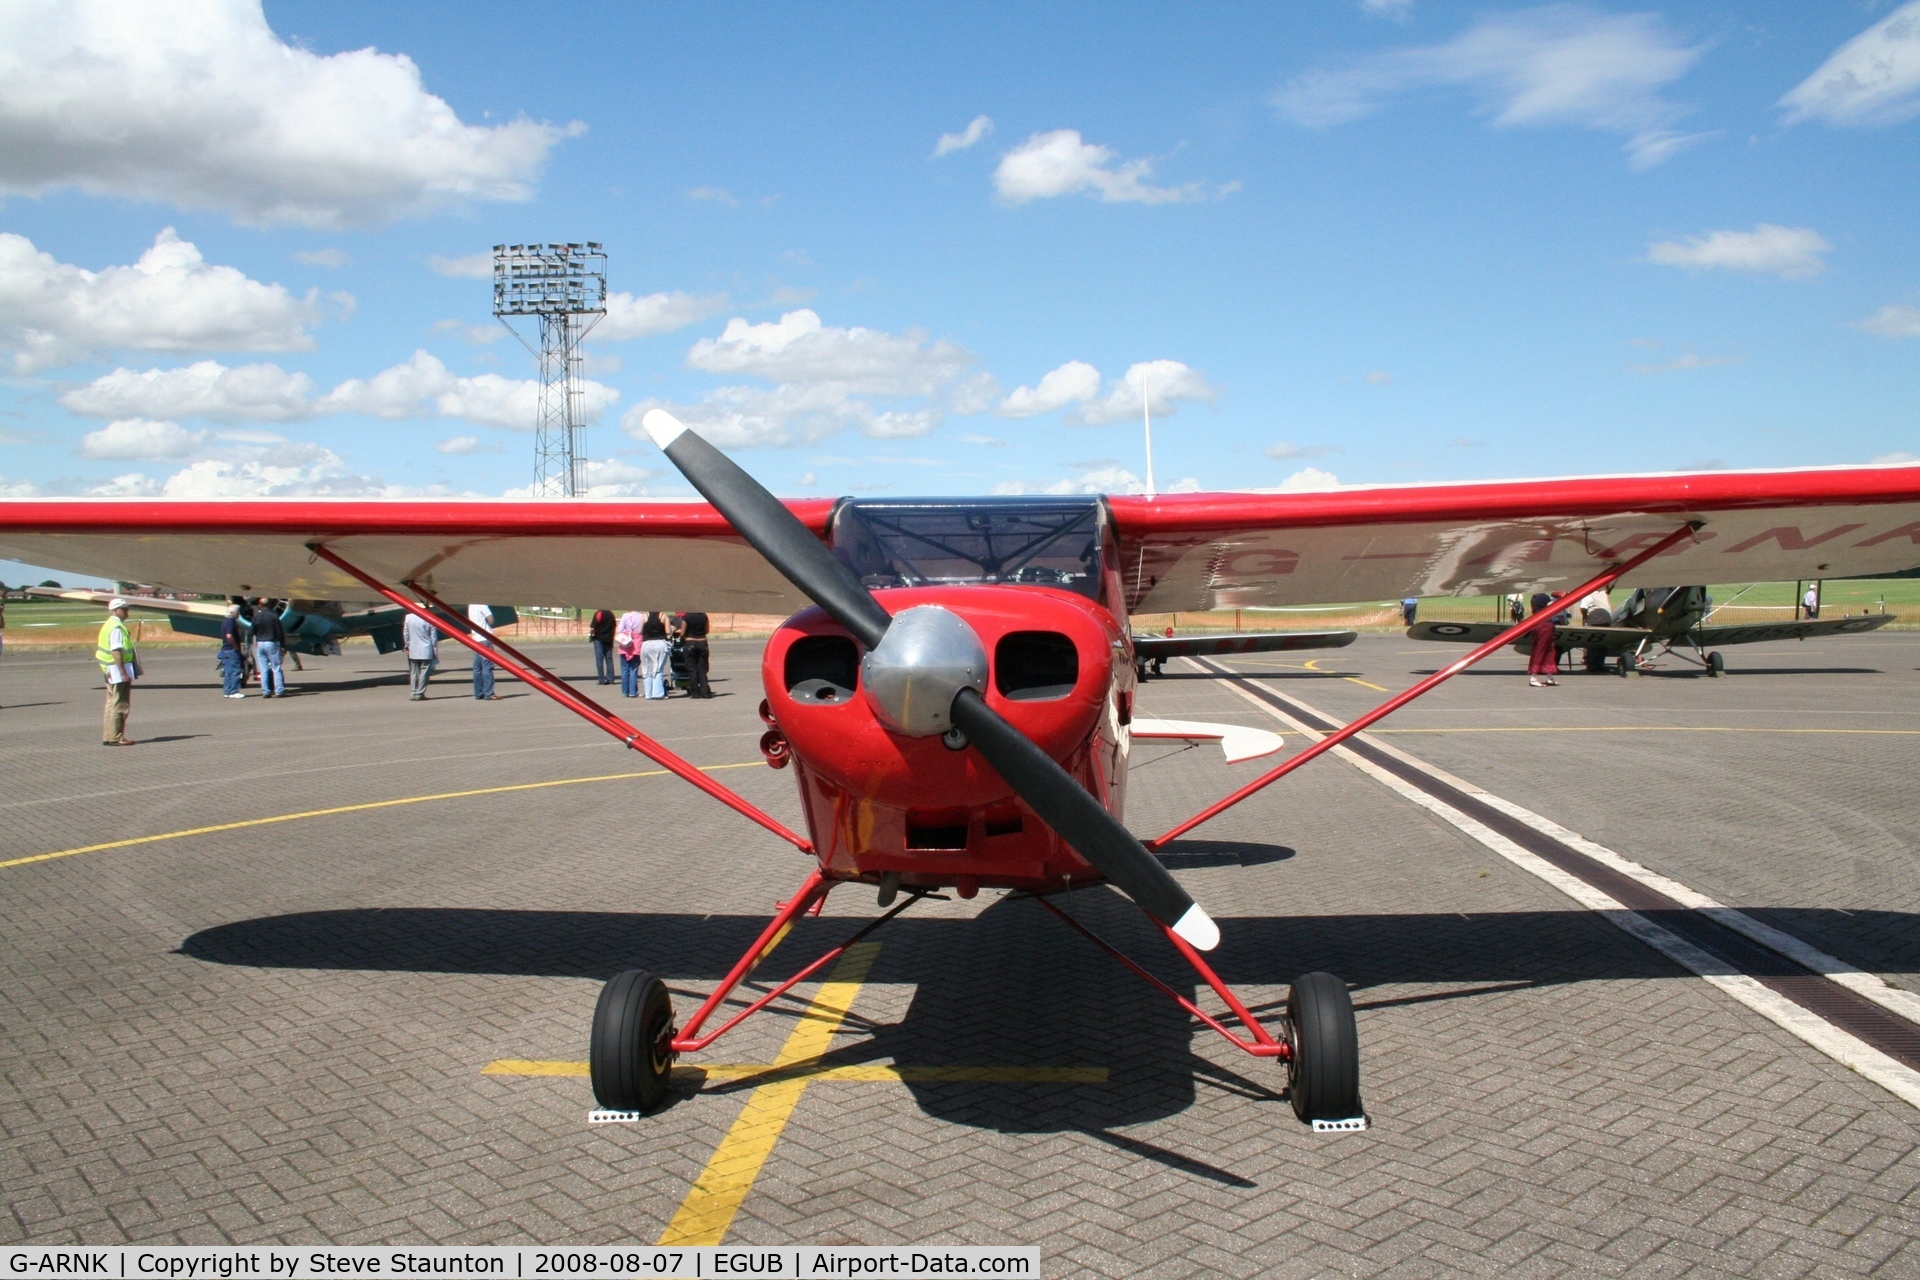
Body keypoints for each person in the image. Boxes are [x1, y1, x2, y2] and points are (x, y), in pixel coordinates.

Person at [96, 597, 139, 744]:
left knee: (111, 703)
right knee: (120, 703)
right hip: (116, 670)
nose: (127, 613)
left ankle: (109, 736)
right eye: (124, 609)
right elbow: (116, 651)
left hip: (109, 669)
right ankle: (116, 737)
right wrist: (123, 673)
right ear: (115, 611)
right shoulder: (116, 628)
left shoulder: (109, 625)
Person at [1526, 591, 1564, 688]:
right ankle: (1533, 677)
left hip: (1546, 626)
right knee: (1541, 651)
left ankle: (1549, 676)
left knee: (1550, 651)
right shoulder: (1542, 599)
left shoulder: (1537, 600)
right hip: (1544, 627)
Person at [251, 599, 286, 698]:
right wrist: (282, 645)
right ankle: (279, 690)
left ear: (260, 605)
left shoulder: (256, 616)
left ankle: (266, 691)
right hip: (271, 642)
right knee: (276, 668)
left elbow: (251, 632)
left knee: (263, 669)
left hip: (260, 643)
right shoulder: (274, 616)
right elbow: (279, 632)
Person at [404, 609, 438, 700]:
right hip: (426, 648)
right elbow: (433, 637)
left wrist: (407, 646)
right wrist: (435, 651)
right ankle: (419, 693)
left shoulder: (408, 617)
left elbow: (406, 633)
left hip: (413, 647)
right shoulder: (429, 618)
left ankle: (413, 692)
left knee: (414, 672)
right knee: (424, 672)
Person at [468, 602, 498, 700]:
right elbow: (491, 619)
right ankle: (489, 693)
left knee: (477, 668)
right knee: (487, 666)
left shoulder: (471, 606)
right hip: (485, 638)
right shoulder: (482, 605)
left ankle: (478, 693)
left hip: (476, 639)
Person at [640, 610, 671, 699]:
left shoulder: (644, 616)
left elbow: (639, 630)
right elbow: (668, 631)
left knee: (647, 669)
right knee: (658, 668)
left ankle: (648, 693)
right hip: (660, 643)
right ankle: (657, 693)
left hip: (646, 644)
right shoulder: (663, 615)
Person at [680, 609, 712, 697]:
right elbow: (707, 630)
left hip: (690, 641)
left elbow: (682, 632)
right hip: (702, 641)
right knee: (702, 669)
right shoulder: (703, 615)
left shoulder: (687, 616)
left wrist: (685, 636)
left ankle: (695, 692)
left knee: (692, 669)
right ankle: (705, 691)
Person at [218, 603, 246, 697]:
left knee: (228, 672)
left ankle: (227, 691)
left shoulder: (226, 621)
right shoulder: (230, 622)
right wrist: (236, 647)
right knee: (235, 671)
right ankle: (234, 691)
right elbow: (229, 636)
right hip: (231, 650)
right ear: (232, 613)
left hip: (226, 650)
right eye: (237, 612)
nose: (238, 614)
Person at [616, 610, 644, 697]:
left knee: (624, 669)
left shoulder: (625, 615)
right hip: (637, 644)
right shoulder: (641, 616)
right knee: (634, 669)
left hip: (625, 645)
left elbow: (619, 630)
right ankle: (633, 691)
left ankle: (625, 691)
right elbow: (641, 630)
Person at [589, 608, 617, 684]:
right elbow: (614, 627)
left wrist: (591, 635)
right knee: (609, 659)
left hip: (599, 639)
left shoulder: (598, 613)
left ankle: (601, 679)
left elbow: (592, 627)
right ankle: (610, 678)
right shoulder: (611, 614)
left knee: (599, 659)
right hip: (609, 639)